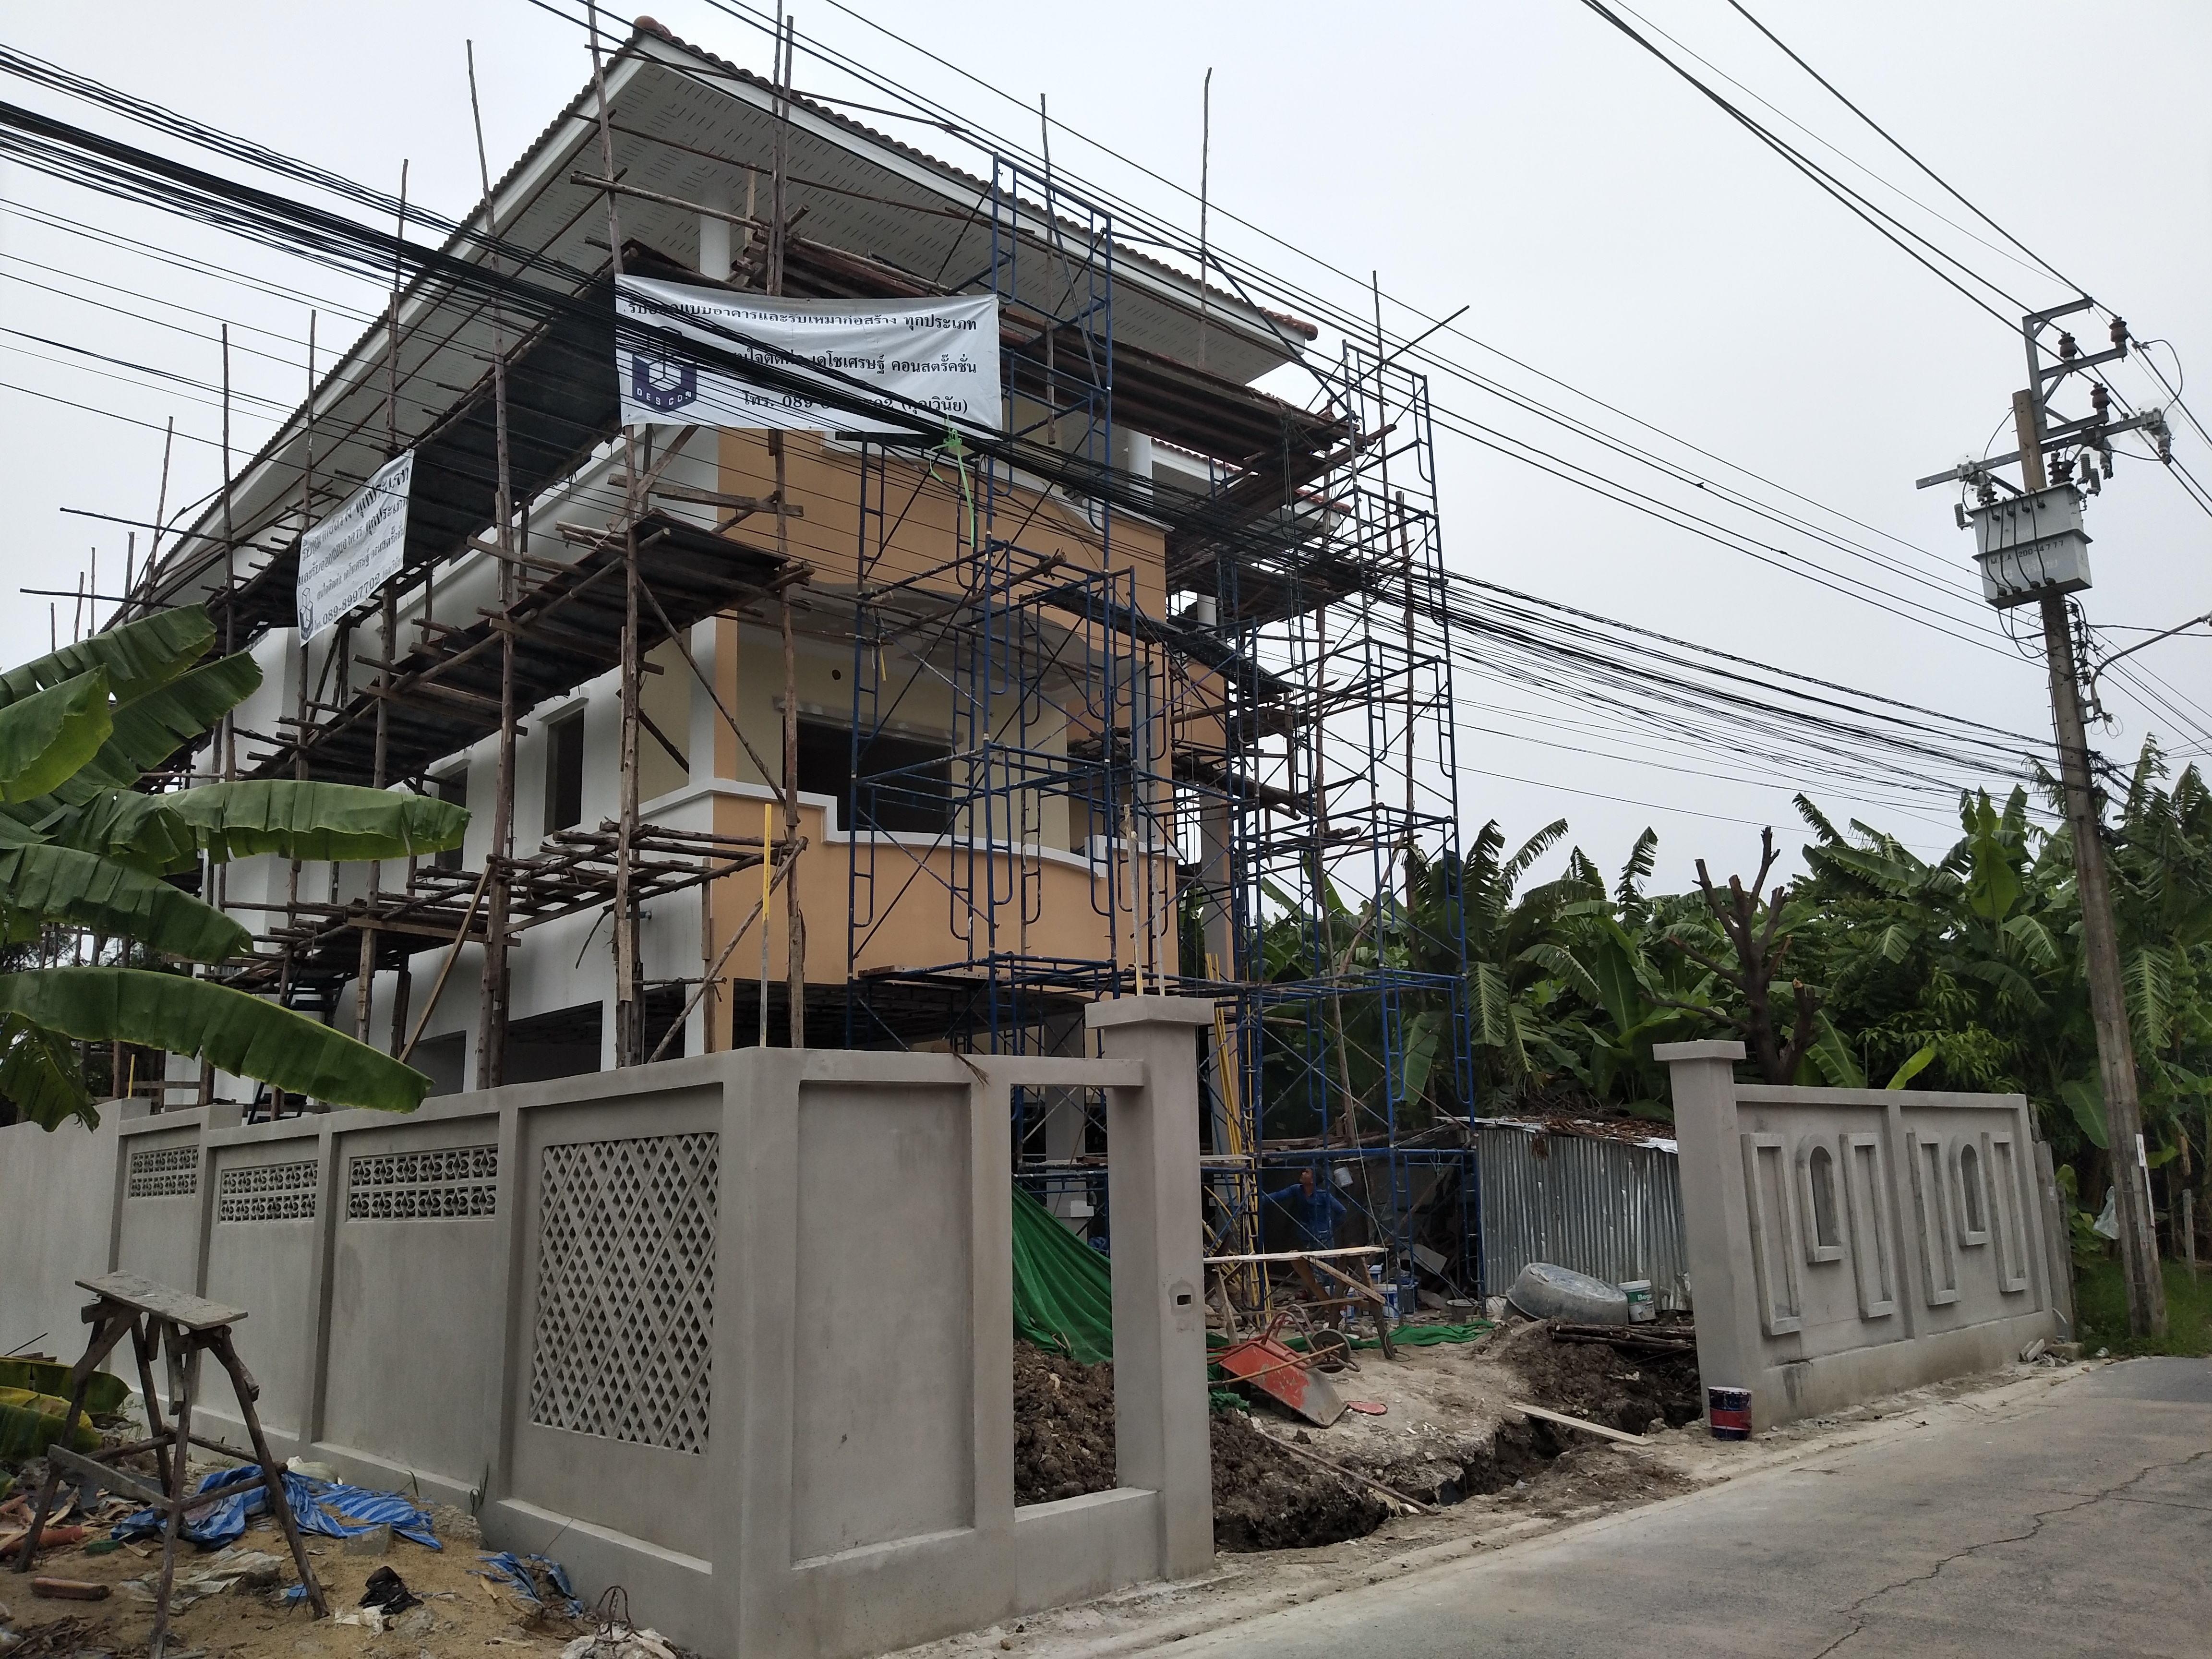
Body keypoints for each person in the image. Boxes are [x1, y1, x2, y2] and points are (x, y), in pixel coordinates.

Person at [1264, 1166, 1347, 1251]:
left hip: (1323, 1238)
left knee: (1324, 1260)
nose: (1303, 1174)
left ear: (1312, 1180)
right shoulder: (1297, 1189)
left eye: (1307, 1172)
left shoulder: (1323, 1195)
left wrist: (1331, 1227)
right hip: (1306, 1237)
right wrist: (1262, 1199)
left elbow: (1342, 1211)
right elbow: (1279, 1195)